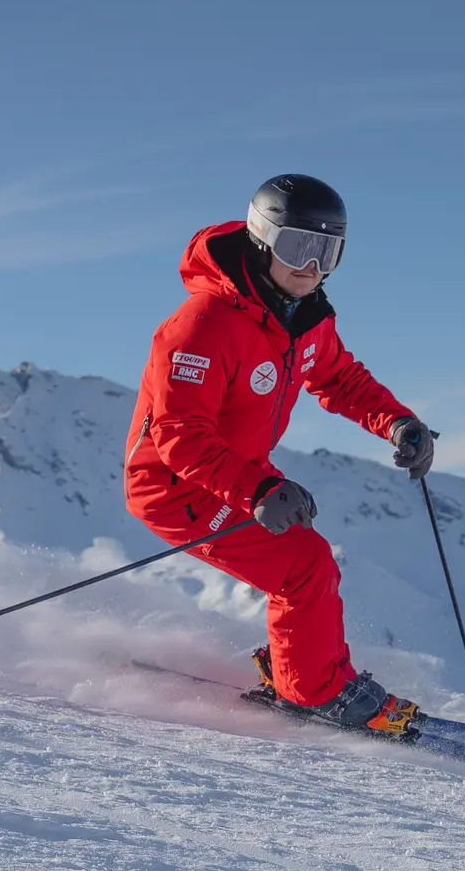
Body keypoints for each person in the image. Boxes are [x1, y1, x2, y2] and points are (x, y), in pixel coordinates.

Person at [123, 173, 434, 735]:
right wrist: (257, 489)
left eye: (327, 251)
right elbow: (179, 434)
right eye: (298, 247)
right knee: (302, 563)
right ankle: (316, 692)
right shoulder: (201, 326)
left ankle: (299, 667)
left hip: (237, 470)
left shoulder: (306, 316)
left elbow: (339, 378)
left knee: (304, 553)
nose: (311, 266)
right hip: (175, 486)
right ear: (262, 238)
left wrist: (398, 422)